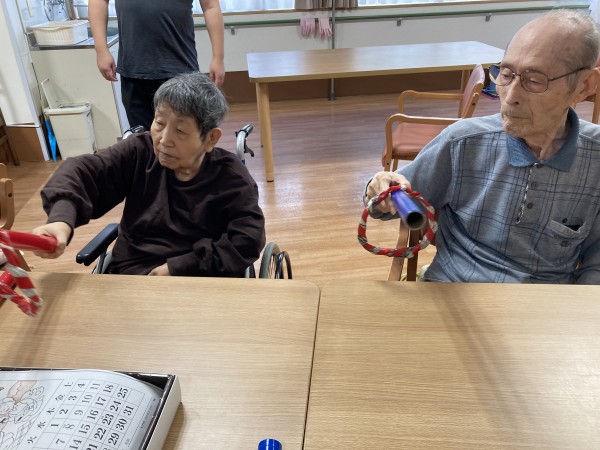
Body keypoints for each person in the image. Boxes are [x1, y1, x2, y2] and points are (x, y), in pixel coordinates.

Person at [365, 10, 600, 284]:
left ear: (585, 85)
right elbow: (387, 201)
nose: (510, 97)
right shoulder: (462, 142)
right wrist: (380, 189)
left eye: (535, 81)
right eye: (506, 74)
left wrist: (580, 305)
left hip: (545, 301)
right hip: (455, 287)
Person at [32, 72, 265, 277]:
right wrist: (61, 221)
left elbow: (247, 239)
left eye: (180, 130)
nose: (164, 140)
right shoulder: (140, 152)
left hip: (200, 276)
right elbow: (81, 172)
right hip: (133, 273)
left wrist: (179, 267)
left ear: (210, 138)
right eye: (159, 123)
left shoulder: (231, 177)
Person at [89, 0, 225, 131]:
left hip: (180, 69)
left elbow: (210, 6)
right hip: (134, 70)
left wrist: (218, 58)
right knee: (143, 139)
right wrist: (101, 50)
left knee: (184, 133)